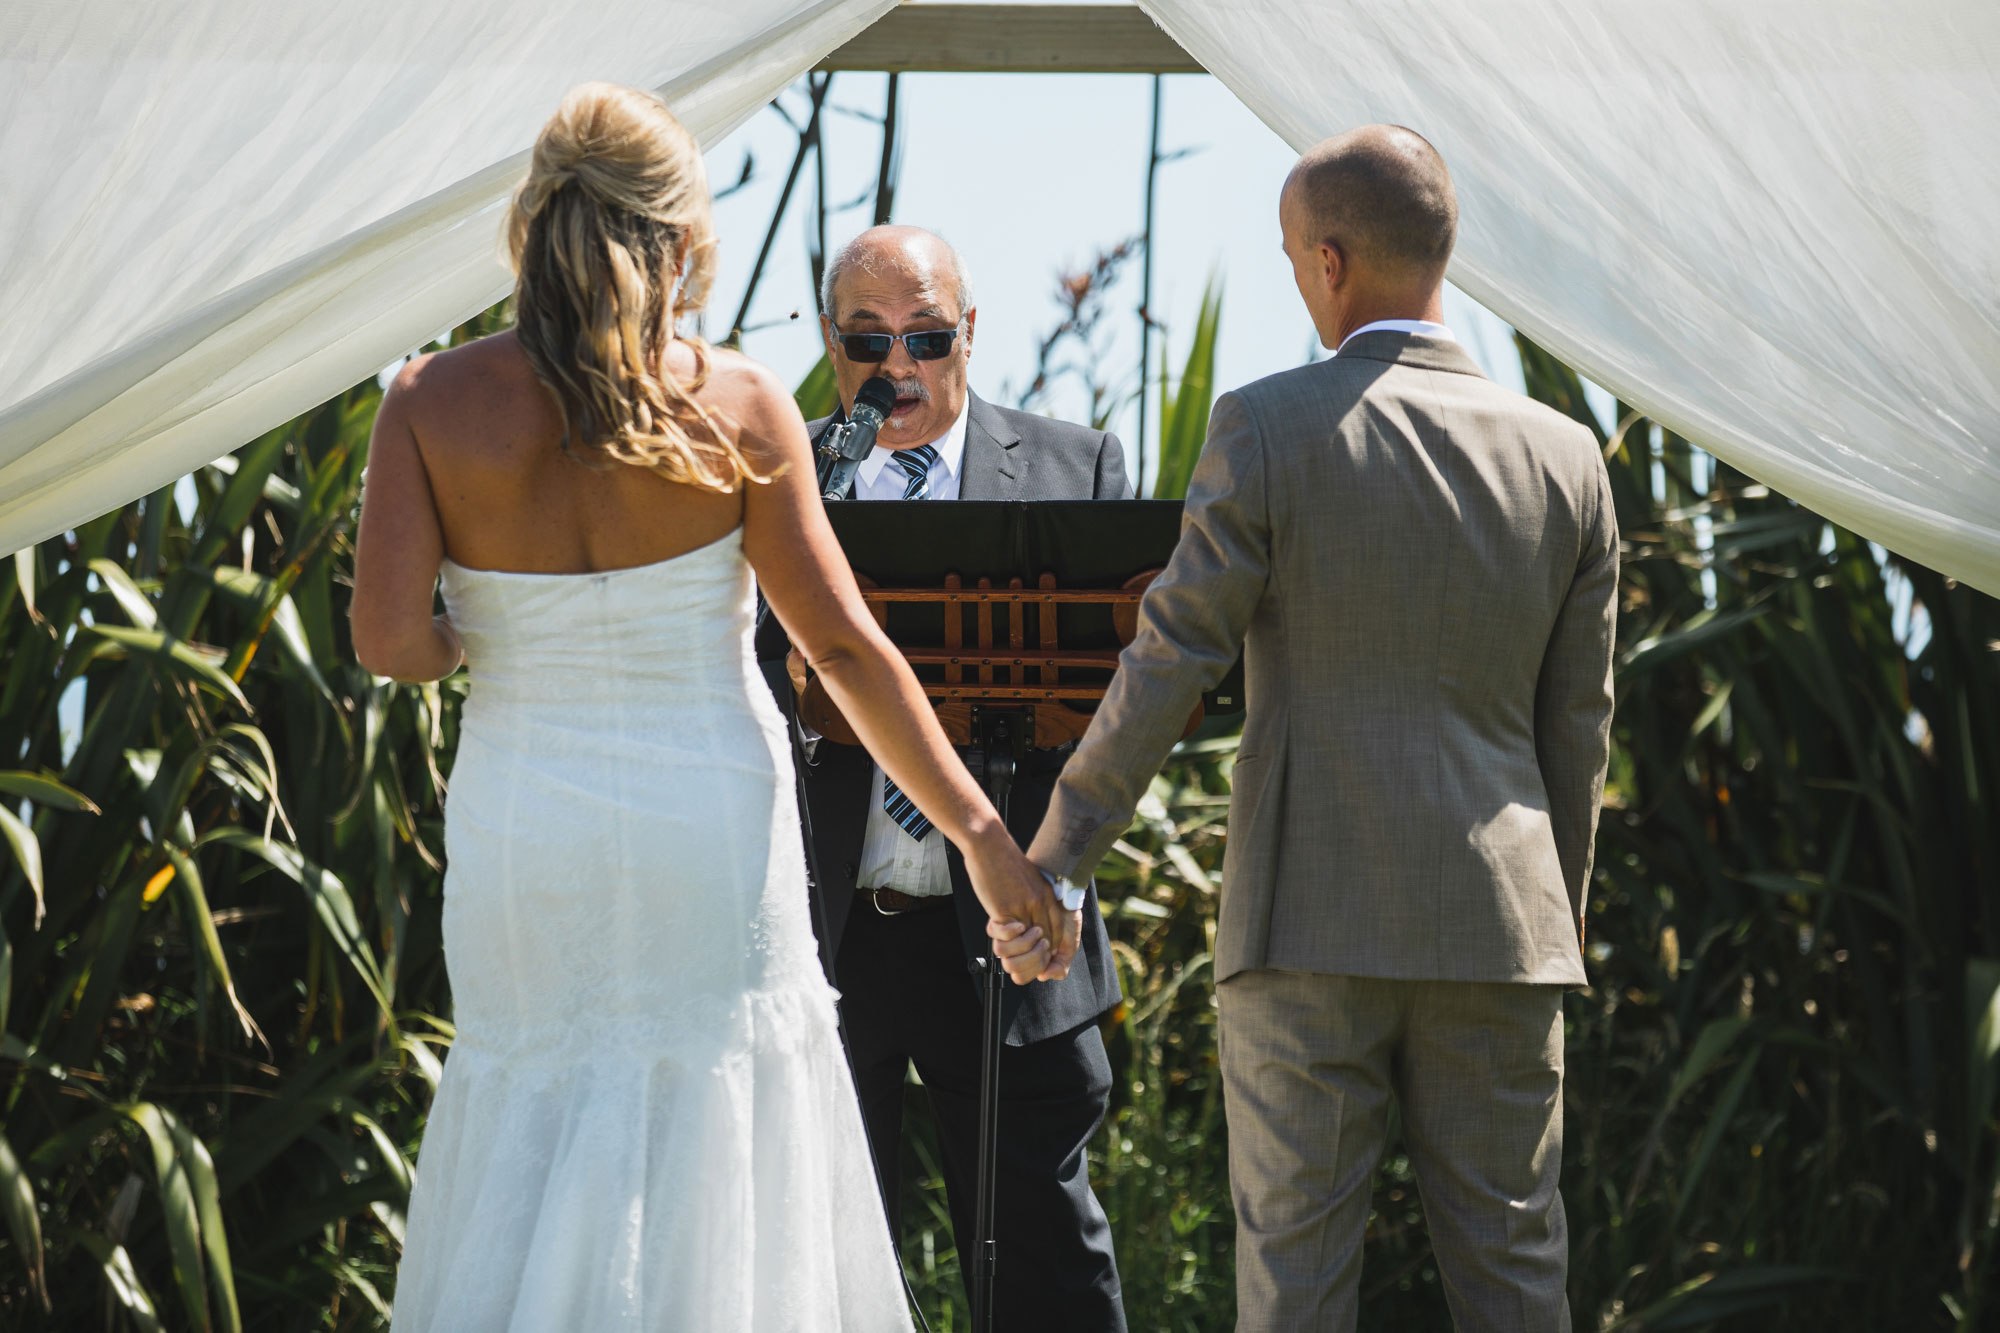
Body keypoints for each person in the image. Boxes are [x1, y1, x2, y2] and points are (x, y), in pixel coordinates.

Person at [349, 84, 1066, 1331]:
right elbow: (842, 649)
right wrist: (988, 845)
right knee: (719, 1121)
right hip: (708, 835)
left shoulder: (426, 401)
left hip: (530, 837)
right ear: (683, 242)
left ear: (531, 228)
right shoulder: (737, 403)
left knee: (533, 1100)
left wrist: (491, 634)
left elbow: (390, 643)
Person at [1022, 125, 1619, 1331]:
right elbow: (1579, 730)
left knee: (1293, 1287)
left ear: (1331, 262)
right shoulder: (1567, 460)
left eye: (1295, 258)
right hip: (1503, 931)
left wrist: (1057, 856)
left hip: (1306, 921)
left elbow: (1170, 655)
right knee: (1515, 1280)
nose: (1299, 279)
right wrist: (1547, 919)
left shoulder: (1268, 429)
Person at [753, 225, 1129, 1332]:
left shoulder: (1078, 467)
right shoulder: (779, 477)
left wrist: (1053, 883)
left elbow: (1118, 715)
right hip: (829, 937)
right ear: (831, 345)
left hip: (1014, 940)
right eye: (868, 341)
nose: (898, 366)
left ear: (967, 331)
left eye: (925, 335)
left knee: (1045, 1268)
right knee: (814, 1270)